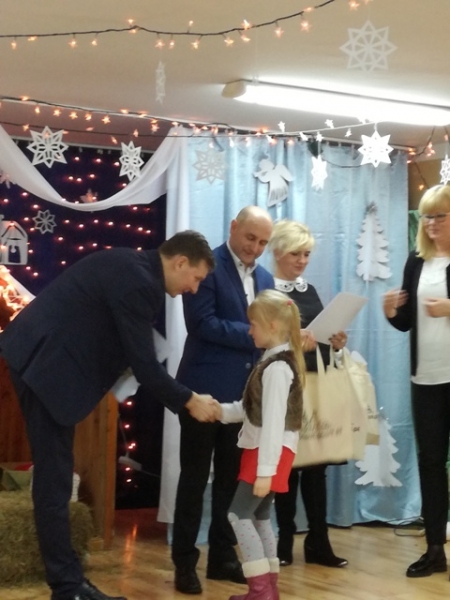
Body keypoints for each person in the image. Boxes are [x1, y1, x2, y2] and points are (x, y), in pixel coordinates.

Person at [0, 230, 218, 600]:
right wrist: (189, 400)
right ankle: (67, 587)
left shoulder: (130, 264)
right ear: (180, 262)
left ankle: (69, 582)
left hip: (39, 359)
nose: (194, 289)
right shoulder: (139, 282)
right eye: (195, 278)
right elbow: (145, 365)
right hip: (44, 367)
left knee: (54, 479)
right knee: (54, 482)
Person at [172, 206, 274, 594]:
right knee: (194, 480)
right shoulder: (206, 266)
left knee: (231, 483)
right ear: (233, 227)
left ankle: (221, 557)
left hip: (244, 399)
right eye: (250, 238)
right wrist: (254, 333)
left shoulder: (266, 278)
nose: (255, 248)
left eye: (263, 242)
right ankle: (184, 563)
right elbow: (201, 323)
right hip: (202, 393)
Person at [269, 219, 348, 568]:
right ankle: (284, 541)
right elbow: (261, 341)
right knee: (288, 465)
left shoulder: (309, 290)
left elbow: (320, 336)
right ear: (277, 252)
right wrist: (293, 342)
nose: (302, 261)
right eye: (295, 254)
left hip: (315, 384)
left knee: (316, 466)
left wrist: (336, 342)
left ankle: (318, 541)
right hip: (285, 387)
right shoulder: (268, 291)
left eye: (306, 254)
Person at [218, 289, 305, 600]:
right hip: (266, 452)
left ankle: (260, 591)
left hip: (267, 453)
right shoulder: (272, 362)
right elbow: (253, 410)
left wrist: (266, 470)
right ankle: (268, 590)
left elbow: (273, 424)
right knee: (259, 517)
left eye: (253, 324)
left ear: (272, 326)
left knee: (238, 516)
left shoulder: (277, 368)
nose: (249, 330)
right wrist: (220, 411)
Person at [383, 184, 450, 578]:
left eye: (439, 216)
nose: (431, 223)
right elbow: (406, 322)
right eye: (426, 216)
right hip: (426, 377)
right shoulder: (417, 260)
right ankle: (434, 549)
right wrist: (391, 311)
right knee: (430, 462)